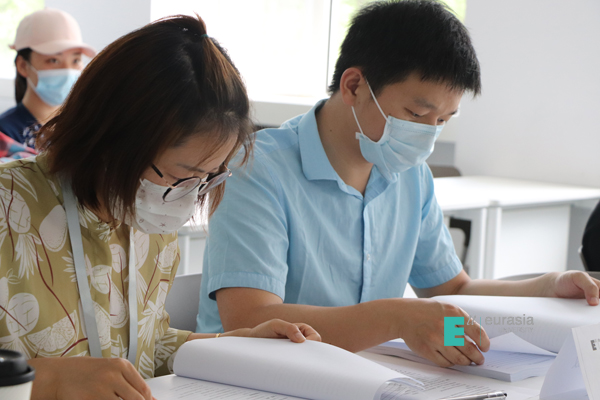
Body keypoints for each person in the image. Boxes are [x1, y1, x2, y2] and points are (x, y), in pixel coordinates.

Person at [198, 0, 600, 368]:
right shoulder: (255, 168)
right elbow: (250, 320)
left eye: (443, 121)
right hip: (255, 377)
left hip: (367, 375)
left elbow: (452, 289)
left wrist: (547, 287)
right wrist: (396, 318)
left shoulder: (410, 174)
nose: (428, 134)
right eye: (417, 114)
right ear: (354, 86)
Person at [0, 15, 319, 400]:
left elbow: (144, 348)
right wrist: (47, 380)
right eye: (180, 175)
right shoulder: (9, 206)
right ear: (112, 138)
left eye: (207, 178)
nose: (186, 196)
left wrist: (237, 345)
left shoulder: (148, 221)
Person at [0, 8, 95, 148]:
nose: (67, 70)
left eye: (75, 60)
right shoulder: (5, 134)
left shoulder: (85, 126)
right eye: (54, 60)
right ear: (23, 66)